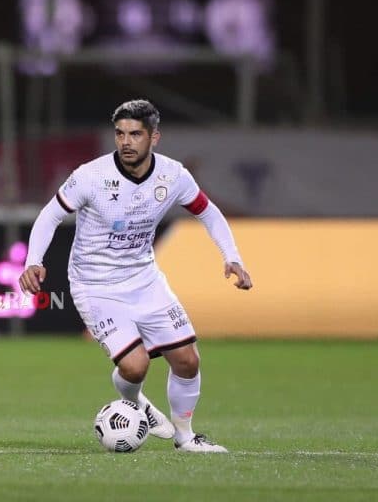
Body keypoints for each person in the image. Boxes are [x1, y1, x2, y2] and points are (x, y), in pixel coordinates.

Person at [19, 99, 252, 452]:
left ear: (154, 137)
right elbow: (49, 215)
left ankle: (185, 437)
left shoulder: (173, 176)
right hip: (94, 285)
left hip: (144, 279)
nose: (126, 142)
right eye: (120, 133)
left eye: (135, 134)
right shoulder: (91, 176)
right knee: (134, 366)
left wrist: (231, 256)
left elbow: (209, 212)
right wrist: (33, 260)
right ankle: (139, 403)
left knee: (188, 361)